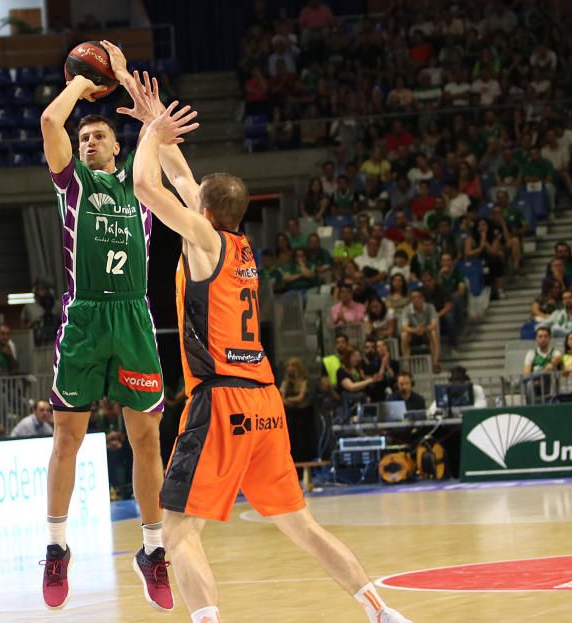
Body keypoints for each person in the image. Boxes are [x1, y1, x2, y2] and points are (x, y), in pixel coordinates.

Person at [133, 97, 411, 623]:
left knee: (178, 532)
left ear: (204, 213)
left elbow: (148, 186)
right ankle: (380, 611)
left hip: (221, 399)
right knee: (302, 526)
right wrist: (154, 122)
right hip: (265, 401)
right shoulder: (240, 245)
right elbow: (180, 179)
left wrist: (150, 137)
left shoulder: (202, 237)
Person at [37, 42, 174, 611]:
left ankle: (152, 549)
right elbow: (51, 120)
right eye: (84, 136)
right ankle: (56, 547)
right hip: (86, 316)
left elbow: (160, 130)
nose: (90, 140)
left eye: (99, 136)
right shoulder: (72, 185)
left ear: (118, 145)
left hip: (134, 315)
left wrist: (121, 75)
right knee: (68, 436)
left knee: (146, 438)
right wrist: (81, 82)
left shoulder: (139, 187)